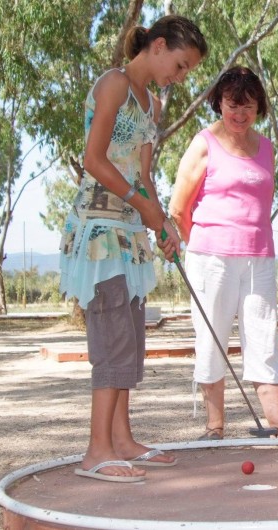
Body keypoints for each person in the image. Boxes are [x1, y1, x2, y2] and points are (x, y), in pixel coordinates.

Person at [59, 15, 207, 482]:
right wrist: (141, 205)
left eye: (186, 72)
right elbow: (93, 159)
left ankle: (122, 439)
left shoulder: (150, 104)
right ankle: (95, 450)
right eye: (180, 65)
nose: (180, 77)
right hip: (100, 232)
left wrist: (162, 223)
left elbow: (145, 177)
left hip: (131, 236)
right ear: (158, 46)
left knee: (132, 338)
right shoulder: (114, 86)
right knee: (113, 340)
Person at [169, 66, 278, 443]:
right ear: (219, 104)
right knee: (211, 339)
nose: (240, 114)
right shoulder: (203, 143)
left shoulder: (267, 148)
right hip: (211, 259)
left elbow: (260, 204)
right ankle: (214, 427)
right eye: (232, 105)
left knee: (264, 335)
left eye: (248, 106)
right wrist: (204, 248)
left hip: (260, 257)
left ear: (258, 106)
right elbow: (179, 210)